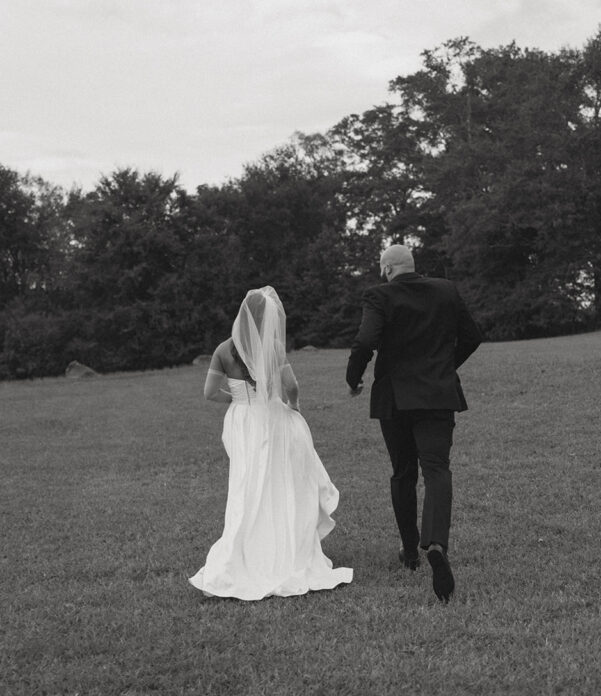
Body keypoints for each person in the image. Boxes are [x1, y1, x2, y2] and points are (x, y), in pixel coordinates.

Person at [190, 286, 353, 600]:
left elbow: (210, 393)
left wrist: (237, 400)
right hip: (275, 421)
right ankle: (285, 548)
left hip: (242, 423)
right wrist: (294, 406)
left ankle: (247, 549)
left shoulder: (224, 349)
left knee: (246, 485)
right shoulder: (274, 347)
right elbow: (291, 385)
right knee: (282, 485)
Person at [346, 245, 481, 603]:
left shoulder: (379, 295)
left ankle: (409, 552)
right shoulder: (445, 290)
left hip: (395, 397)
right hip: (438, 394)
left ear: (388, 268)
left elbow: (365, 341)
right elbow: (473, 335)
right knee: (437, 468)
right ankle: (435, 543)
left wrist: (353, 378)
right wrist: (444, 366)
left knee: (403, 472)